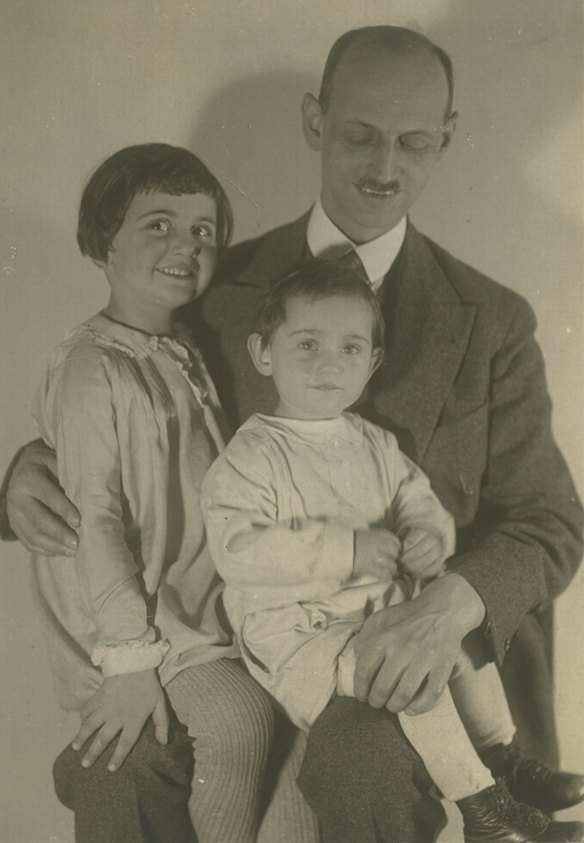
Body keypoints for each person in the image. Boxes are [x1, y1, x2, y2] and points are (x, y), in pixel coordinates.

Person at [3, 25, 583, 843]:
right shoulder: (213, 285)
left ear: (448, 137)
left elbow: (550, 520)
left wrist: (449, 602)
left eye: (414, 142)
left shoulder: (490, 319)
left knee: (358, 754)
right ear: (315, 121)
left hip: (397, 643)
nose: (384, 166)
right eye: (360, 135)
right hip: (243, 634)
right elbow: (123, 402)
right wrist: (27, 468)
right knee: (121, 754)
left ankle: (490, 792)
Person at [201, 259, 584, 842]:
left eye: (350, 348)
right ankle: (481, 810)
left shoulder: (372, 442)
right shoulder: (252, 455)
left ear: (373, 362)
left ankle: (503, 763)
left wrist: (430, 536)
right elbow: (238, 550)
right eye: (307, 344)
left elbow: (417, 500)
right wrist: (348, 551)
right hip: (303, 636)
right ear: (263, 353)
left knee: (460, 642)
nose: (329, 363)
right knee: (409, 673)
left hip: (381, 615)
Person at [28, 143, 275, 843]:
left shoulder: (183, 350)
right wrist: (132, 659)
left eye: (203, 230)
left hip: (201, 612)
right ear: (105, 238)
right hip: (137, 629)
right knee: (238, 719)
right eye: (158, 225)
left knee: (288, 783)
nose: (186, 245)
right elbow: (96, 514)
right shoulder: (91, 365)